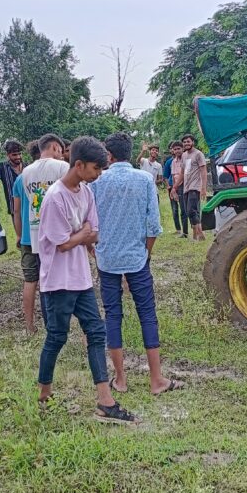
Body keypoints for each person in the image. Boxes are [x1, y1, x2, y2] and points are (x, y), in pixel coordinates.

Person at [37, 137, 136, 423]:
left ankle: (105, 400)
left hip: (81, 279)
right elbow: (63, 243)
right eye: (96, 168)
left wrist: (80, 236)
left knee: (96, 332)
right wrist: (81, 235)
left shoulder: (86, 193)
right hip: (58, 281)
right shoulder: (55, 197)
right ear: (78, 165)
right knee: (57, 336)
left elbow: (94, 232)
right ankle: (44, 392)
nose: (98, 174)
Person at [92, 133, 180, 395]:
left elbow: (89, 223)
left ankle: (120, 379)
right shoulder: (144, 179)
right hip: (137, 258)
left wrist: (97, 253)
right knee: (147, 314)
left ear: (108, 155)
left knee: (112, 316)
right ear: (130, 153)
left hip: (107, 259)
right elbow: (153, 225)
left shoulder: (96, 182)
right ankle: (156, 380)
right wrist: (146, 254)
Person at [14, 134, 69, 333]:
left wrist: (19, 235)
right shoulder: (62, 168)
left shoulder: (23, 176)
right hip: (52, 235)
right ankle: (57, 324)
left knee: (31, 281)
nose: (62, 155)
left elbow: (17, 211)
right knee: (55, 280)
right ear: (54, 147)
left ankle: (30, 326)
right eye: (61, 151)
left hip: (29, 236)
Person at [174, 134, 207, 240]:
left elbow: (203, 171)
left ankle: (200, 234)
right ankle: (195, 235)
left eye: (188, 141)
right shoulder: (184, 155)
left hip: (195, 186)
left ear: (193, 142)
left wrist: (203, 188)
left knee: (191, 210)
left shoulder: (198, 154)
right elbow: (182, 172)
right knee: (191, 212)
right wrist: (175, 187)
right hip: (186, 187)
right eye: (184, 142)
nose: (186, 144)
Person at [166, 141, 187, 237]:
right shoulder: (173, 162)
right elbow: (174, 176)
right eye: (175, 149)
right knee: (178, 210)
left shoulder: (186, 159)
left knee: (185, 210)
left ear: (183, 149)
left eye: (179, 148)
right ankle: (182, 232)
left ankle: (188, 231)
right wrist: (174, 189)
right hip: (176, 186)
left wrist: (176, 186)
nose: (177, 151)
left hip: (185, 185)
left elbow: (184, 175)